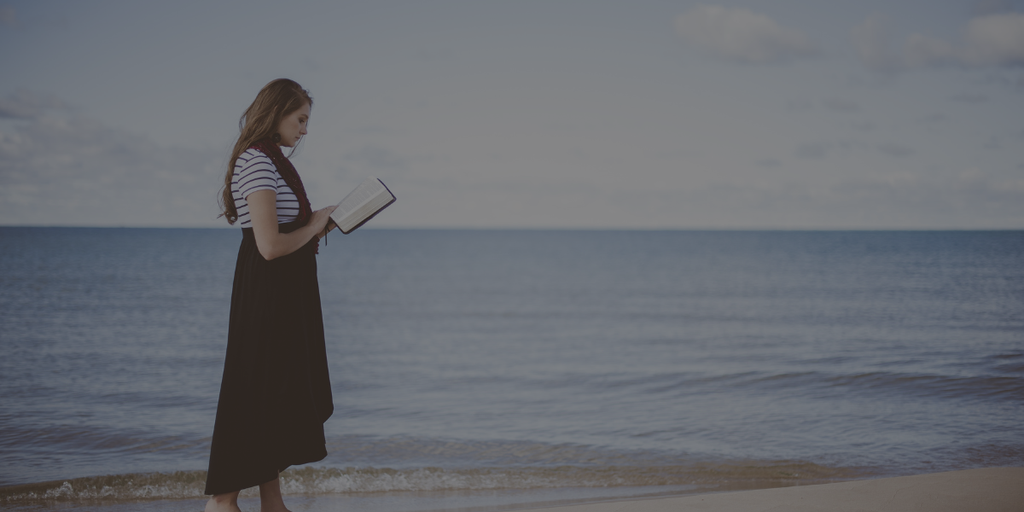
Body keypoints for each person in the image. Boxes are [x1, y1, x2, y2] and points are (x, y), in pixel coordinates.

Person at [205, 78, 337, 512]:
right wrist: (315, 225)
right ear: (277, 113)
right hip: (266, 297)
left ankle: (272, 501)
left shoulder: (272, 161)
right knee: (254, 392)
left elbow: (286, 232)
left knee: (271, 395)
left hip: (284, 297)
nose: (304, 130)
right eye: (300, 119)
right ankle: (223, 502)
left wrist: (322, 222)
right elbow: (269, 246)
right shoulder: (257, 163)